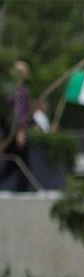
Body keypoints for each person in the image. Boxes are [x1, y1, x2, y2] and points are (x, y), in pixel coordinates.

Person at [0, 60, 32, 191]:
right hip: (13, 130)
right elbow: (19, 112)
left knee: (14, 163)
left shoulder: (15, 90)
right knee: (21, 162)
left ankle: (22, 190)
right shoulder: (18, 91)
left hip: (10, 129)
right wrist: (21, 130)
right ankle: (22, 191)